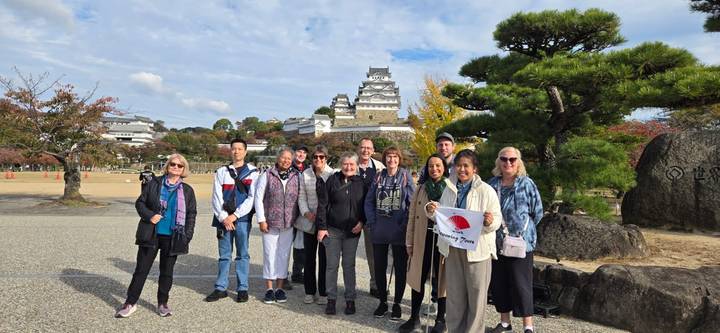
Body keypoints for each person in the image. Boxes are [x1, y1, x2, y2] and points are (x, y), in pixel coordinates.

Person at [425, 149, 502, 333]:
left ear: (474, 168)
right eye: (458, 165)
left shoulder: (486, 190)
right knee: (455, 297)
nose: (462, 170)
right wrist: (431, 210)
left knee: (476, 298)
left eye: (466, 166)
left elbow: (497, 219)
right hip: (453, 249)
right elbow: (443, 217)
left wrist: (490, 222)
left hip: (477, 251)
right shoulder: (449, 188)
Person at [116, 154, 197, 318]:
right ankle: (130, 303)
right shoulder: (154, 183)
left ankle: (162, 303)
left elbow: (191, 214)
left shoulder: (187, 190)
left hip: (174, 236)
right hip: (151, 234)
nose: (176, 167)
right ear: (167, 166)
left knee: (166, 272)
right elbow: (140, 203)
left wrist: (187, 235)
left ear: (183, 169)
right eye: (172, 164)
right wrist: (150, 215)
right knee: (141, 270)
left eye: (179, 166)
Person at [487, 147, 544, 333]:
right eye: (504, 158)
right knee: (499, 283)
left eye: (512, 159)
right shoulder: (492, 184)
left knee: (522, 285)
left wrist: (523, 231)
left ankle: (528, 326)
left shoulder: (527, 184)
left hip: (521, 243)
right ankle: (505, 322)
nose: (508, 163)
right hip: (497, 242)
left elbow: (538, 212)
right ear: (498, 161)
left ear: (518, 162)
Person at [399, 154, 451, 333]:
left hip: (443, 240)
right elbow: (412, 216)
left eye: (438, 165)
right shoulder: (421, 188)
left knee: (442, 280)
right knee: (417, 278)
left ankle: (441, 320)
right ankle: (414, 319)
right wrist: (409, 241)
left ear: (444, 167)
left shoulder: (451, 188)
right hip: (423, 238)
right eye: (430, 166)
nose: (434, 169)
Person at [364, 146, 415, 322]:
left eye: (395, 157)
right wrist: (371, 222)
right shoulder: (379, 176)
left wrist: (405, 223)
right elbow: (369, 201)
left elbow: (412, 202)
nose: (391, 160)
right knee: (379, 267)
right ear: (384, 159)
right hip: (379, 228)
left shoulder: (406, 176)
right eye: (388, 157)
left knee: (400, 269)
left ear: (399, 159)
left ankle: (398, 303)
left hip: (399, 229)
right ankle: (383, 301)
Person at [205, 138, 259, 303]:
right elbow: (216, 197)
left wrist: (235, 216)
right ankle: (221, 287)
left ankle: (242, 287)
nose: (236, 152)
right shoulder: (222, 171)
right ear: (230, 151)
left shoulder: (253, 172)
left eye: (239, 149)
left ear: (245, 151)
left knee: (243, 254)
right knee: (224, 255)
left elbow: (252, 198)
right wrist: (224, 217)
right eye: (233, 149)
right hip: (223, 220)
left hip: (242, 219)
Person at [316, 152, 366, 316]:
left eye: (352, 164)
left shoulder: (361, 183)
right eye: (345, 164)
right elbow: (323, 205)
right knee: (331, 266)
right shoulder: (332, 180)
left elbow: (366, 205)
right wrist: (322, 227)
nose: (348, 167)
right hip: (333, 230)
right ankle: (331, 299)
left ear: (357, 166)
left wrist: (362, 222)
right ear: (341, 164)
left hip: (352, 231)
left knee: (349, 266)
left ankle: (350, 299)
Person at [417, 132, 456, 316]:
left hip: (445, 234)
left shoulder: (454, 178)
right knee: (421, 272)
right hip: (424, 232)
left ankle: (442, 314)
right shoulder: (424, 185)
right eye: (440, 145)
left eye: (447, 144)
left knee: (443, 276)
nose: (443, 147)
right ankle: (421, 310)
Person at [255, 148, 301, 304]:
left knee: (284, 254)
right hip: (270, 222)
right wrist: (261, 219)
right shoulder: (267, 175)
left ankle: (280, 288)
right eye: (283, 158)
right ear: (278, 158)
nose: (286, 161)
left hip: (288, 223)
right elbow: (258, 198)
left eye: (289, 158)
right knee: (269, 254)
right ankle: (269, 288)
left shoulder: (296, 176)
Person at [298, 145, 334, 305]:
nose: (318, 160)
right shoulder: (305, 174)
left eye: (322, 157)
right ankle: (309, 291)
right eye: (315, 157)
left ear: (326, 158)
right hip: (310, 219)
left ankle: (324, 291)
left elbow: (333, 199)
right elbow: (301, 197)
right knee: (309, 258)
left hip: (326, 221)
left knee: (325, 258)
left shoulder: (332, 174)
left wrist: (323, 217)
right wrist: (306, 213)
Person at [356, 138, 385, 297]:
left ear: (373, 150)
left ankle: (375, 284)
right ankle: (349, 285)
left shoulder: (380, 167)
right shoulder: (350, 164)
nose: (365, 150)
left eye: (369, 148)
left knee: (373, 254)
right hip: (352, 216)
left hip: (371, 217)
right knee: (347, 254)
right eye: (363, 147)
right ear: (358, 149)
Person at [290, 145, 310, 285]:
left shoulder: (309, 169)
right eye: (299, 151)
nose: (301, 154)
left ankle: (297, 272)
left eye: (304, 152)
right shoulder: (286, 166)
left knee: (300, 244)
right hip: (289, 211)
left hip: (302, 212)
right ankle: (281, 274)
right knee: (284, 245)